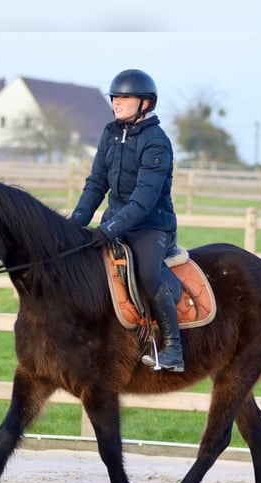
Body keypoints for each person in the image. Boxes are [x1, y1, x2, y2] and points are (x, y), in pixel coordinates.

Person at [69, 69, 184, 373]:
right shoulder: (109, 133)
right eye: (114, 97)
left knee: (147, 273)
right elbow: (96, 184)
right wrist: (74, 224)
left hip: (151, 227)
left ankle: (173, 349)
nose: (116, 102)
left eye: (124, 97)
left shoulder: (157, 142)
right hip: (115, 223)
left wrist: (108, 230)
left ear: (145, 103)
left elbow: (144, 200)